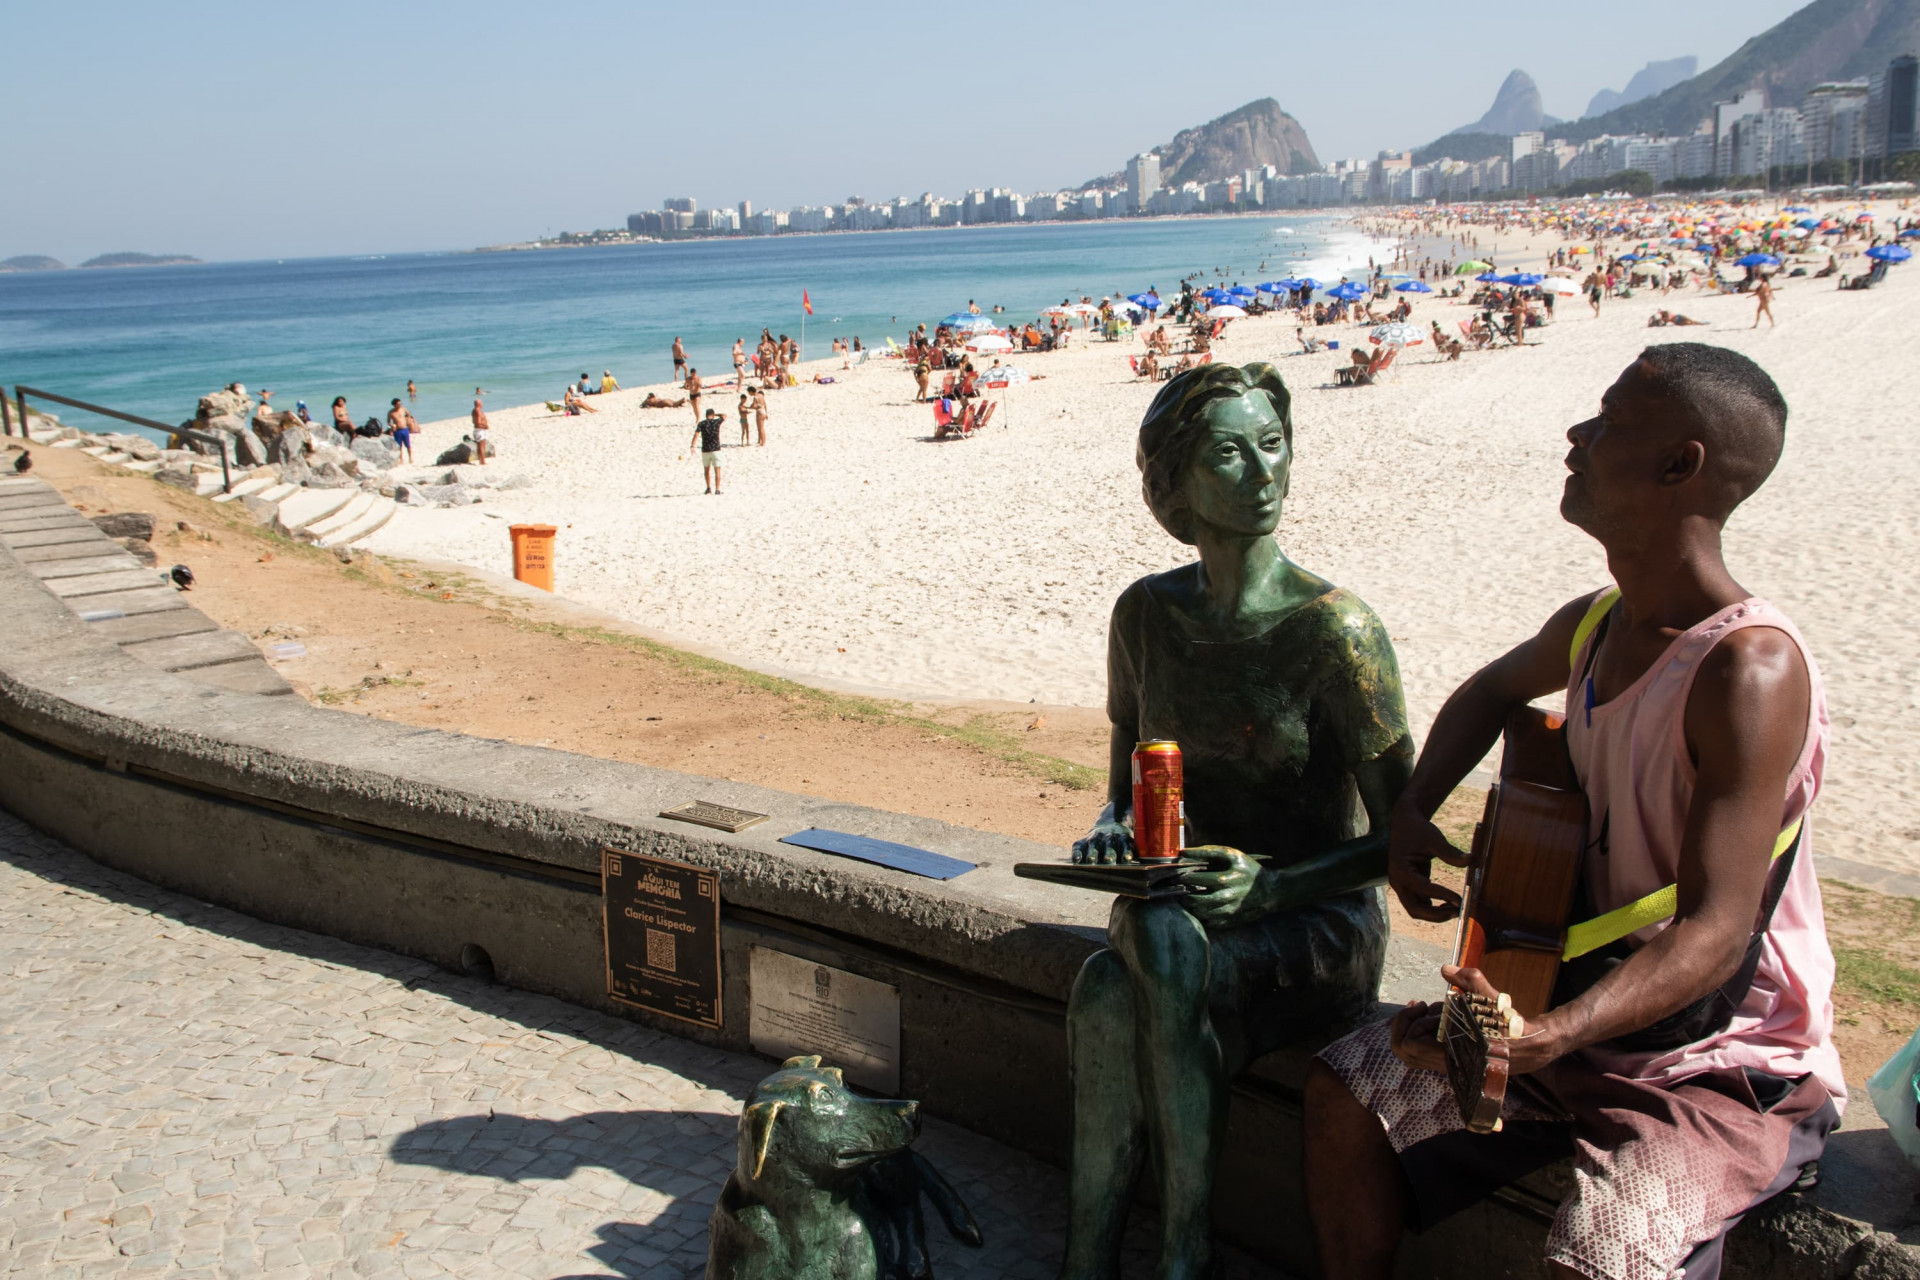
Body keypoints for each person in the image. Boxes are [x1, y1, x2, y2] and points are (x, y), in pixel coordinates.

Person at [1306, 344, 1841, 1280]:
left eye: (1607, 424)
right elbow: (1485, 692)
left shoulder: (1748, 671)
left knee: (1600, 1255)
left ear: (1682, 465)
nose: (1577, 437)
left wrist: (1551, 1035)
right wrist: (1411, 809)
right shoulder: (1596, 624)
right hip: (1569, 1017)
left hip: (1718, 1063)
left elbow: (1713, 932)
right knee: (1345, 1090)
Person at [1061, 362, 1413, 1280]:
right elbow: (1125, 787)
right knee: (1108, 989)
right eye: (1230, 452)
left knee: (1146, 957)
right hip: (1180, 909)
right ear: (1174, 481)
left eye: (1273, 445)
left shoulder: (1339, 631)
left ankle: (1184, 1251)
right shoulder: (1144, 615)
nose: (1263, 473)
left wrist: (1276, 887)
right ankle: (1091, 1254)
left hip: (1312, 920)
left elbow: (1403, 844)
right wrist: (1111, 828)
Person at [691, 408, 725, 494]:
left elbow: (696, 434)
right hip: (716, 449)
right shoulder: (716, 422)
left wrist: (692, 445)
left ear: (706, 415)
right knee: (717, 470)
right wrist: (716, 414)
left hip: (705, 449)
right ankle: (717, 489)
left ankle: (708, 488)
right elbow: (724, 415)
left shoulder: (701, 423)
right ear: (712, 415)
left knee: (706, 470)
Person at [471, 389, 489, 465]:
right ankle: (482, 461)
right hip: (480, 430)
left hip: (480, 430)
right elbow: (477, 422)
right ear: (478, 404)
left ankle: (482, 460)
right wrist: (485, 426)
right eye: (481, 403)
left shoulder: (475, 410)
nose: (482, 404)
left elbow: (473, 421)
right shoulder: (477, 410)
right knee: (481, 446)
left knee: (482, 445)